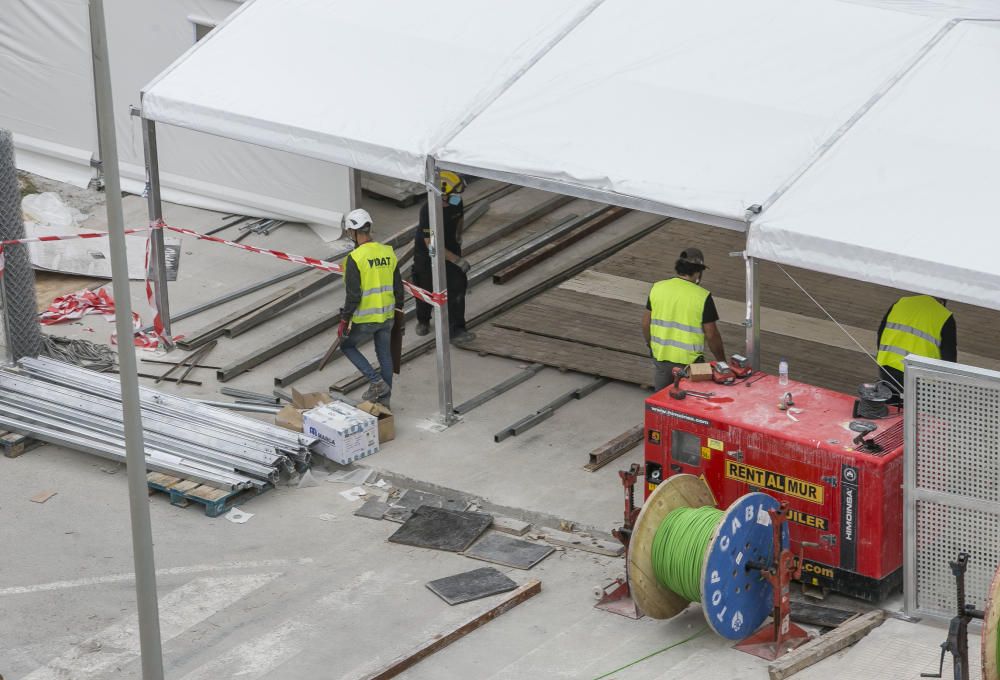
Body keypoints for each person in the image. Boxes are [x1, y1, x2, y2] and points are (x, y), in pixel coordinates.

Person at [338, 208, 405, 406]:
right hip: (387, 316)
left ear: (352, 232)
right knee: (384, 355)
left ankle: (376, 382)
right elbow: (398, 288)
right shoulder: (387, 252)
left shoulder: (355, 258)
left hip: (366, 318)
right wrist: (398, 314)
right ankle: (385, 403)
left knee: (347, 346)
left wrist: (344, 320)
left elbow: (354, 295)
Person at [642, 247, 726, 391]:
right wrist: (722, 361)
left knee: (662, 403)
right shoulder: (702, 296)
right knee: (690, 405)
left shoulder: (658, 288)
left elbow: (645, 324)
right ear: (698, 272)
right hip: (690, 365)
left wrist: (652, 346)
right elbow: (712, 334)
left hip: (661, 358)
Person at [411, 170, 475, 344]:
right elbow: (431, 244)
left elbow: (459, 219)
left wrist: (458, 236)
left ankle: (457, 330)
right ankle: (423, 320)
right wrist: (456, 260)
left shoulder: (456, 203)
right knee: (425, 287)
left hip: (450, 246)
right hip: (428, 252)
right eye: (454, 194)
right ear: (443, 194)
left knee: (457, 286)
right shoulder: (428, 210)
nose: (457, 198)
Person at [876, 294, 956, 394]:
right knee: (917, 407)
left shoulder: (900, 303)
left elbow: (881, 333)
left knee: (890, 404)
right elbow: (949, 355)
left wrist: (883, 356)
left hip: (888, 369)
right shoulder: (944, 316)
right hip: (921, 378)